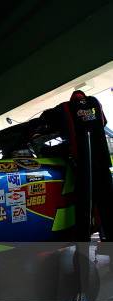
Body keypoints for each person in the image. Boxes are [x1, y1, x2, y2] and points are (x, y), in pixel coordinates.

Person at [41, 90, 112, 241]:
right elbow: (103, 122)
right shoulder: (95, 102)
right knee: (107, 203)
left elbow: (47, 116)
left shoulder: (66, 107)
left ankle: (83, 244)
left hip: (84, 164)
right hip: (102, 161)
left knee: (84, 207)